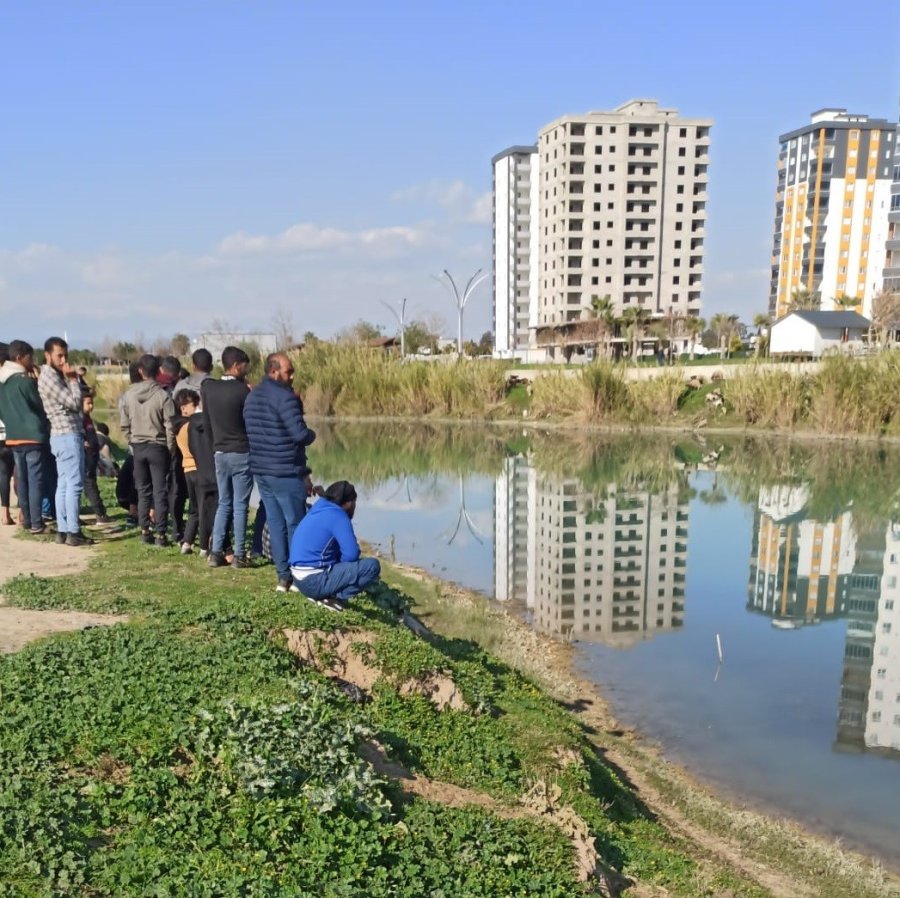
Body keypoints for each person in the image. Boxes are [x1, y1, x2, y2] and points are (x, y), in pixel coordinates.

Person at [243, 352, 317, 592]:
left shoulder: (252, 397)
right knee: (296, 523)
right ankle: (299, 575)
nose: (292, 375)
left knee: (275, 522)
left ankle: (283, 576)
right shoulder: (285, 398)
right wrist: (311, 434)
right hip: (285, 470)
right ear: (274, 371)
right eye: (289, 371)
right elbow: (299, 434)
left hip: (262, 470)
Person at [289, 480, 380, 611]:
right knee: (372, 566)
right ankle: (334, 598)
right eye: (354, 502)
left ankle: (325, 593)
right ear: (348, 503)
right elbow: (351, 554)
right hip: (313, 582)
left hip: (297, 577)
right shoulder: (339, 516)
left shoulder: (319, 506)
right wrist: (342, 566)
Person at [38, 337, 91, 546]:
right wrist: (73, 380)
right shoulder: (50, 377)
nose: (63, 360)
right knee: (74, 485)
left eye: (65, 356)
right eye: (59, 355)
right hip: (67, 434)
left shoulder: (52, 375)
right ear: (48, 355)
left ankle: (63, 528)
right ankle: (73, 531)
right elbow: (73, 403)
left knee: (64, 484)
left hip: (61, 435)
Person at [202, 346, 252, 568]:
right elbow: (249, 423)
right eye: (244, 366)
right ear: (236, 365)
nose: (246, 371)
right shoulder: (242, 392)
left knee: (224, 502)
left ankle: (216, 552)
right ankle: (239, 554)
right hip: (241, 451)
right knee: (240, 505)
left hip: (219, 452)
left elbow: (206, 422)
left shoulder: (210, 388)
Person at [120, 354, 176, 547]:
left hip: (138, 446)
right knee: (160, 491)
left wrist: (131, 441)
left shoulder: (128, 395)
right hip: (158, 446)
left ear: (140, 371)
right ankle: (161, 534)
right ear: (159, 371)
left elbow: (124, 424)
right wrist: (169, 448)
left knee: (142, 490)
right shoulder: (163, 396)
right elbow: (170, 425)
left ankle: (144, 531)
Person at [0, 340, 50, 534]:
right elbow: (40, 406)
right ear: (20, 357)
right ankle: (37, 523)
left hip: (13, 438)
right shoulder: (25, 382)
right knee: (35, 480)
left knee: (22, 480)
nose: (32, 361)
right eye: (30, 357)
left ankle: (28, 520)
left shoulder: (3, 384)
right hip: (33, 436)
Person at [173, 389, 205, 554]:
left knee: (194, 508)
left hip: (186, 468)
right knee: (203, 507)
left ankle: (187, 542)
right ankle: (205, 545)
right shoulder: (191, 426)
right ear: (184, 407)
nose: (197, 408)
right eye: (195, 405)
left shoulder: (178, 426)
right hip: (197, 468)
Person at [186, 389, 218, 558]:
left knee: (203, 509)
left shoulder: (191, 424)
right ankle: (217, 543)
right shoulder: (212, 422)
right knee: (218, 509)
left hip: (200, 470)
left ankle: (204, 546)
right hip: (215, 469)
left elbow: (191, 447)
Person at [81, 392, 110, 523]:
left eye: (92, 403)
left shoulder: (88, 418)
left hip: (92, 457)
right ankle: (100, 514)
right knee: (89, 485)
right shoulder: (79, 419)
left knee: (92, 485)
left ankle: (100, 513)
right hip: (86, 458)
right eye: (88, 403)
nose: (91, 406)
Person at [0, 343, 15, 525]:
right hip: (11, 430)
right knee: (14, 470)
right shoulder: (10, 380)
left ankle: (5, 512)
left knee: (3, 471)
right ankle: (24, 512)